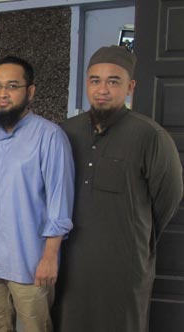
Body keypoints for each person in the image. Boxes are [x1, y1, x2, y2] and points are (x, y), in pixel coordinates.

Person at [54, 46, 183, 332]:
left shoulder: (150, 136)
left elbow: (168, 200)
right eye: (95, 80)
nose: (102, 89)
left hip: (125, 266)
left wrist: (133, 233)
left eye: (113, 81)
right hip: (73, 265)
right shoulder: (65, 132)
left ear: (130, 87)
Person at [0, 56, 75, 332]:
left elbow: (60, 203)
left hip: (31, 262)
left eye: (12, 86)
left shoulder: (50, 136)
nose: (2, 94)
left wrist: (50, 258)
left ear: (30, 92)